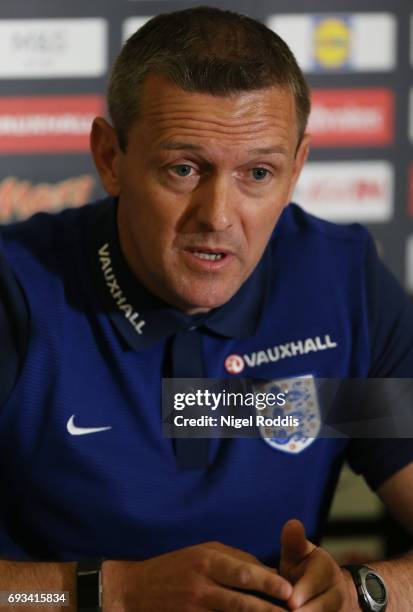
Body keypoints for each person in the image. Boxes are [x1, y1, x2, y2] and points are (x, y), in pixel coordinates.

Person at [0, 6, 413, 611]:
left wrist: (362, 595)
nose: (218, 217)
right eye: (185, 168)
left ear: (297, 168)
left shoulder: (340, 286)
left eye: (258, 173)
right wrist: (111, 592)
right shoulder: (17, 294)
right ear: (111, 157)